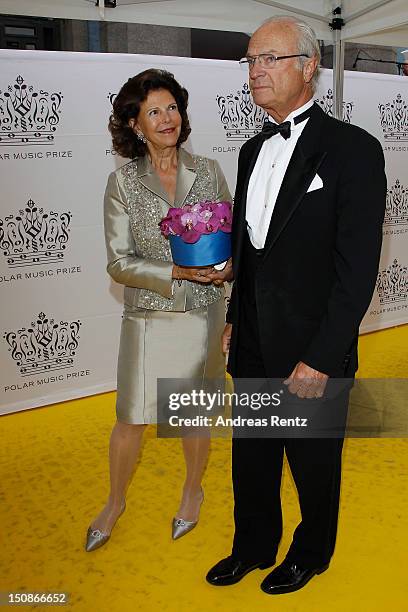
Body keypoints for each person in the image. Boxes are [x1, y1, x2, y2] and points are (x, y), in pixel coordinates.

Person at [205, 16, 386, 594]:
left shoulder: (353, 149)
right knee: (252, 456)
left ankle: (312, 552)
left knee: (313, 464)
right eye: (250, 61)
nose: (255, 71)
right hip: (255, 335)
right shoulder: (251, 149)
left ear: (309, 67)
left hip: (314, 345)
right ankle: (253, 546)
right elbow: (251, 250)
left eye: (269, 59)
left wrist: (324, 356)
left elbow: (356, 271)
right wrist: (235, 317)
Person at [85, 69, 231, 551]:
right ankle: (113, 500)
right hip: (148, 316)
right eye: (153, 112)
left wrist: (225, 269)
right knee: (131, 417)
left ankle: (193, 490)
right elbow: (119, 262)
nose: (167, 119)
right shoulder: (122, 183)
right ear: (134, 124)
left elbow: (229, 242)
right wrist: (179, 273)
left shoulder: (208, 170)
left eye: (172, 108)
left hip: (204, 313)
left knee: (193, 416)